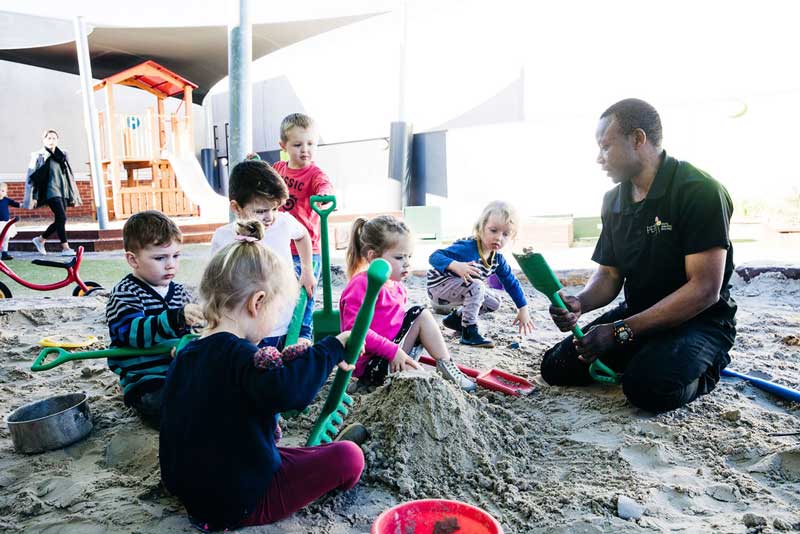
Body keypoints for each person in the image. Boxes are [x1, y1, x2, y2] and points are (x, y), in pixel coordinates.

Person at [160, 220, 364, 531]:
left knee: (270, 446)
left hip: (190, 492)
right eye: (277, 312)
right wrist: (333, 348)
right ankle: (327, 469)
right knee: (349, 457)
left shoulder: (187, 353)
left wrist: (298, 361)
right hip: (239, 501)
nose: (275, 322)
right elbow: (291, 393)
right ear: (257, 303)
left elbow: (226, 401)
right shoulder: (243, 359)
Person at [541, 98, 737, 414]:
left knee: (646, 388)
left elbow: (704, 290)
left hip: (699, 321)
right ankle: (648, 352)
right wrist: (580, 303)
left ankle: (709, 363)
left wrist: (621, 331)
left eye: (605, 147)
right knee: (555, 367)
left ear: (637, 139)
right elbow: (609, 275)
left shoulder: (699, 190)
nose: (599, 158)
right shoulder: (613, 200)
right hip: (638, 314)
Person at [341, 215, 477, 392]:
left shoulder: (398, 286)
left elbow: (397, 326)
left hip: (393, 350)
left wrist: (397, 351)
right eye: (399, 257)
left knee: (420, 314)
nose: (406, 264)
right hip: (370, 363)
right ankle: (367, 383)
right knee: (422, 381)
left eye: (409, 256)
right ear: (373, 257)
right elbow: (354, 334)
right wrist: (393, 352)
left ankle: (447, 366)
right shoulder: (361, 285)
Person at [105, 210, 204, 428]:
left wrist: (187, 344)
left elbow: (187, 335)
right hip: (146, 377)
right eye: (160, 258)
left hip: (178, 370)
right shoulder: (125, 294)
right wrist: (174, 318)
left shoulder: (180, 293)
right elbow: (132, 334)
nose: (170, 265)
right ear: (133, 259)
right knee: (162, 406)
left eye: (176, 256)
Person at [211, 159, 315, 348]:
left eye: (274, 208)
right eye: (261, 211)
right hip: (244, 326)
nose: (269, 217)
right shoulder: (223, 237)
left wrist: (307, 270)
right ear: (236, 208)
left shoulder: (283, 223)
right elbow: (216, 282)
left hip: (282, 322)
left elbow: (302, 236)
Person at [427, 201, 534, 348]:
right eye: (493, 230)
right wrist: (456, 265)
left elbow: (511, 282)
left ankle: (456, 320)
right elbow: (434, 257)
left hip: (460, 288)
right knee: (477, 285)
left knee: (494, 302)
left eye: (505, 234)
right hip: (439, 287)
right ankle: (469, 332)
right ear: (481, 228)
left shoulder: (497, 259)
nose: (498, 238)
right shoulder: (467, 248)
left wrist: (523, 309)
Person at [272, 113, 335, 340]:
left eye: (311, 144)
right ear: (283, 146)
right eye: (298, 144)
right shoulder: (278, 169)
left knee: (304, 294)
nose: (305, 150)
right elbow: (264, 182)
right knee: (279, 294)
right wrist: (255, 164)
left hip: (306, 249)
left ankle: (303, 336)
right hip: (279, 246)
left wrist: (325, 195)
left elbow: (324, 186)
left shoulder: (314, 173)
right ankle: (280, 334)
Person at [23, 130, 82, 256]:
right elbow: (31, 176)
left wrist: (72, 192)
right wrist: (32, 196)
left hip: (63, 190)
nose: (51, 140)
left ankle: (40, 240)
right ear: (44, 140)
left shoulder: (62, 154)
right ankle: (65, 248)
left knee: (60, 220)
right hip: (50, 191)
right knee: (62, 217)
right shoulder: (39, 155)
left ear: (57, 140)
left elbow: (68, 174)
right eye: (49, 138)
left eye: (54, 138)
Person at [0, 182, 21, 260]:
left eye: (2, 191)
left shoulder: (6, 200)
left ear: (5, 192)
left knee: (6, 238)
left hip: (5, 223)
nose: (0, 192)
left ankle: (4, 253)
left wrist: (24, 204)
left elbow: (16, 204)